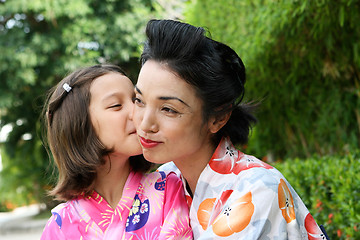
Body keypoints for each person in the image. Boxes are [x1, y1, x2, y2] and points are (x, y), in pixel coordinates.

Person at [132, 19, 327, 239]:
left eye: (168, 109)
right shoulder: (165, 177)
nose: (145, 124)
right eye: (139, 100)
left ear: (218, 117)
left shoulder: (257, 188)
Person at [40, 64, 193, 239]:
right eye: (116, 105)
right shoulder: (60, 225)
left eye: (136, 100)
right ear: (79, 127)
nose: (136, 113)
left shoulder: (168, 189)